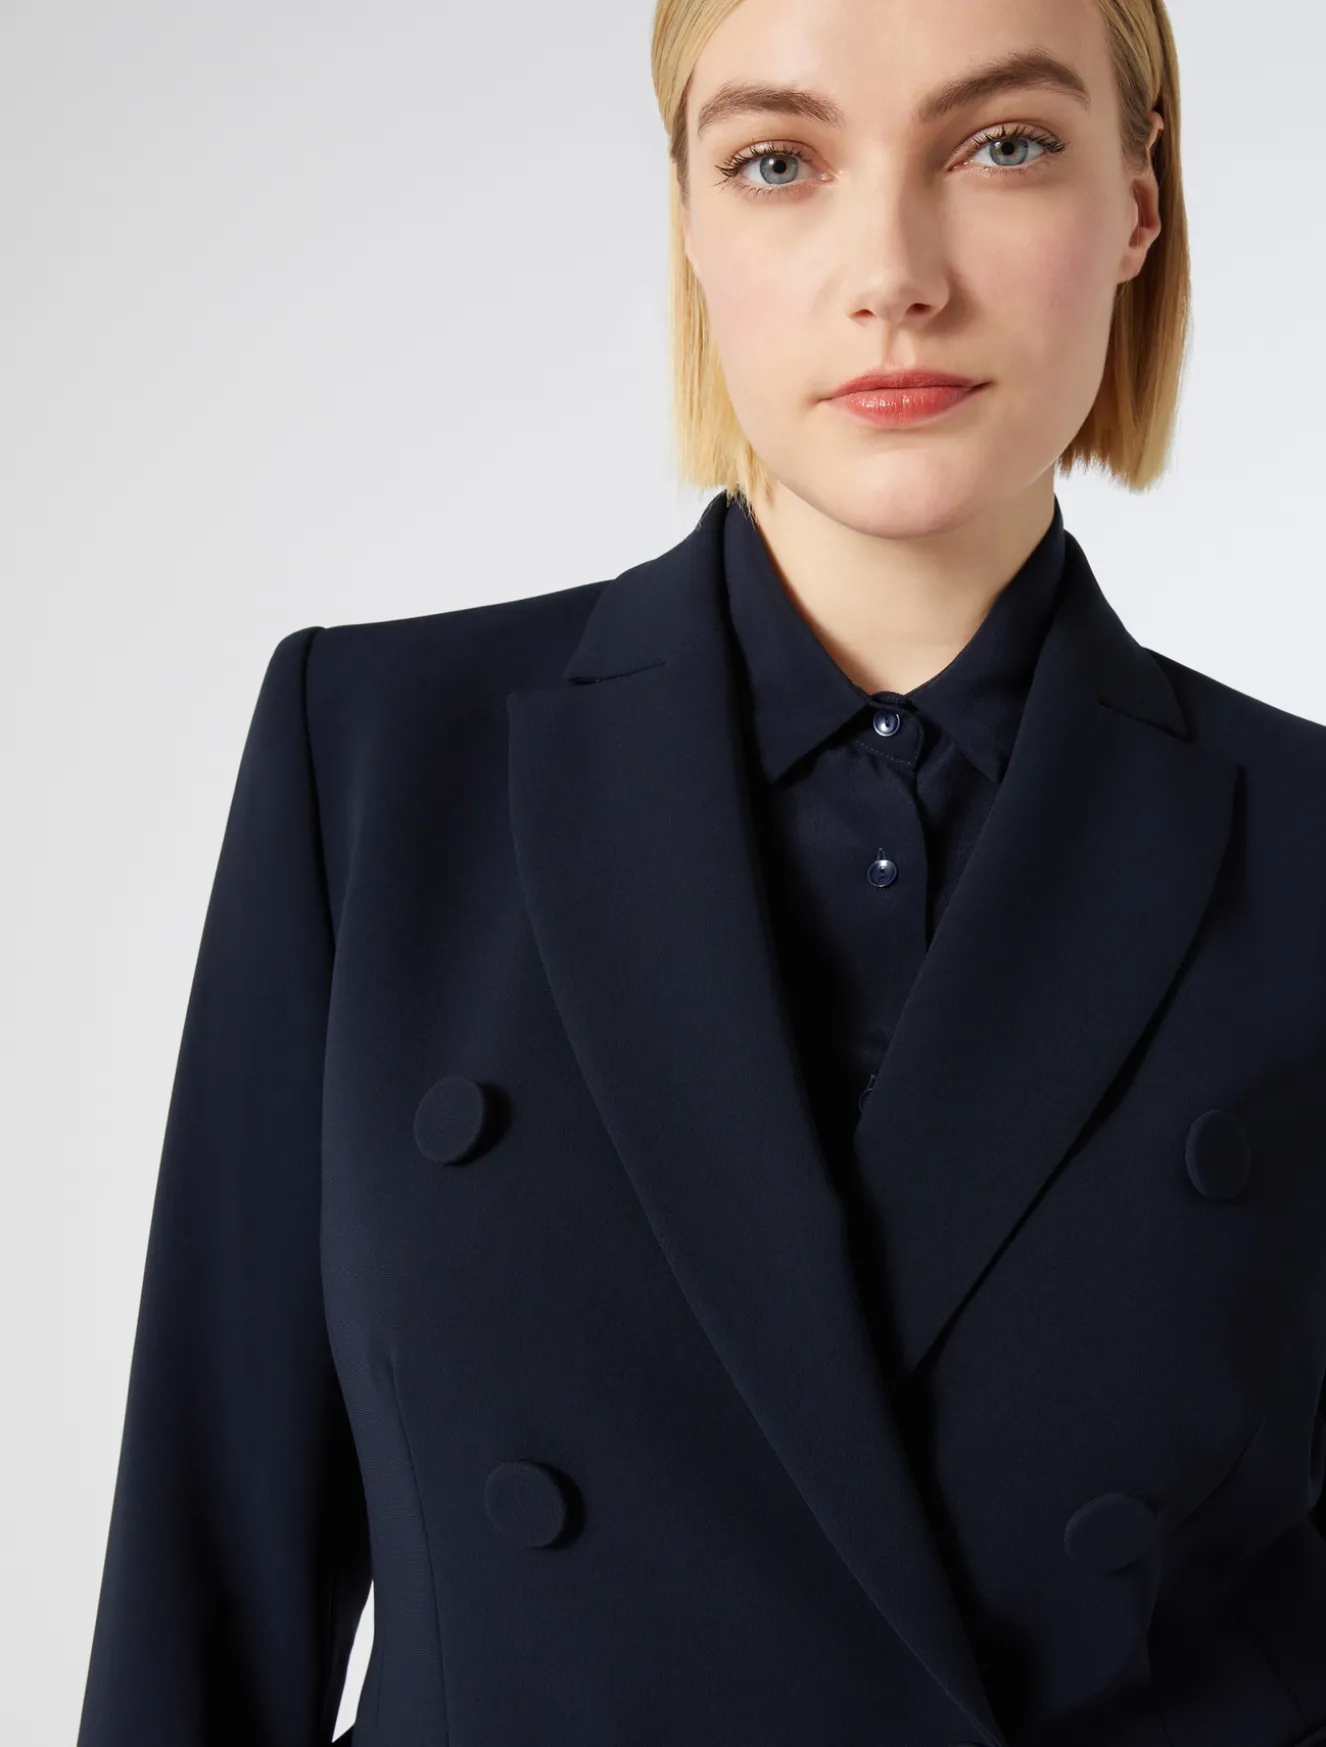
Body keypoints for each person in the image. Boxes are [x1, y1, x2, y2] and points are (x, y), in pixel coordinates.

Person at [75, 0, 1326, 1743]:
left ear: (1135, 203)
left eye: (1004, 146)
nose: (892, 276)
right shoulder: (371, 755)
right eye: (778, 161)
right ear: (685, 215)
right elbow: (207, 1580)